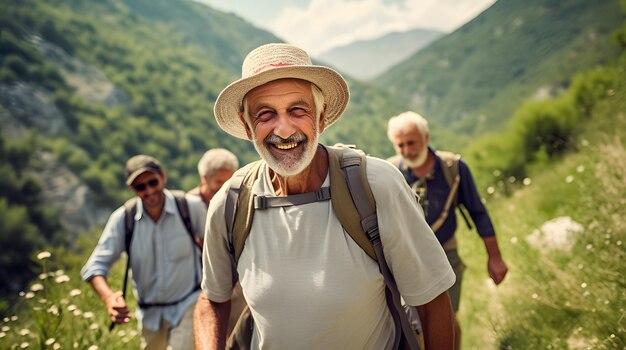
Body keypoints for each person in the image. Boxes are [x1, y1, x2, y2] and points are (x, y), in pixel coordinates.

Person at [194, 43, 456, 350]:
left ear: (321, 117)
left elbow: (431, 299)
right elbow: (212, 299)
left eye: (298, 110)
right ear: (247, 126)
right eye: (265, 114)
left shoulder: (375, 185)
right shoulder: (232, 202)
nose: (284, 129)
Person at [386, 111, 509, 350]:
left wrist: (495, 257)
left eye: (411, 142)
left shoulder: (454, 168)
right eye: (400, 145)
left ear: (426, 137)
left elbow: (478, 212)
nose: (407, 150)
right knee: (415, 323)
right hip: (407, 258)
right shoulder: (391, 173)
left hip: (446, 254)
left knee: (445, 318)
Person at [81, 155, 206, 350]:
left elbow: (218, 247)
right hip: (149, 316)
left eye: (152, 182)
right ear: (132, 189)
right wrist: (109, 299)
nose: (149, 191)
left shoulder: (190, 207)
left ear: (163, 177)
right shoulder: (123, 219)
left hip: (188, 305)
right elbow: (94, 265)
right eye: (140, 187)